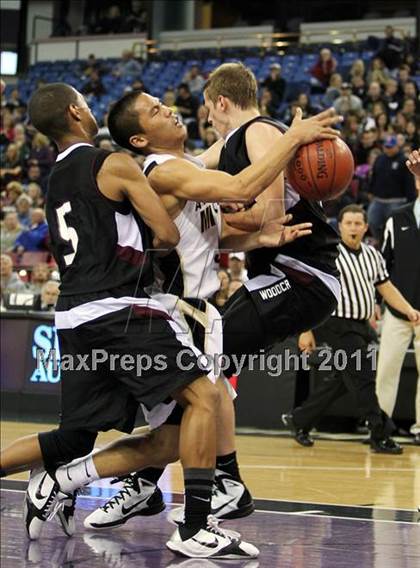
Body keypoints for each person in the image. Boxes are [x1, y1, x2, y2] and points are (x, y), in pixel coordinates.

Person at [0, 83, 260, 560]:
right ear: (78, 112)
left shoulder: (53, 177)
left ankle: (66, 481)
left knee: (73, 436)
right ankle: (197, 526)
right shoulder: (112, 162)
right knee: (205, 395)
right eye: (88, 101)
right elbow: (163, 232)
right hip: (120, 307)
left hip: (73, 315)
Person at [71, 87, 333, 531]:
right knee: (175, 420)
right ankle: (78, 478)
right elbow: (242, 187)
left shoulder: (189, 165)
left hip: (200, 308)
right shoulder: (164, 170)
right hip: (168, 308)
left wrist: (258, 237)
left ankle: (154, 490)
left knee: (190, 409)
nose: (172, 109)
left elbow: (222, 223)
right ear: (139, 139)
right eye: (156, 109)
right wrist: (292, 139)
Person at [203, 62, 342, 371]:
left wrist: (222, 216)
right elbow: (188, 166)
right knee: (212, 357)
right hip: (282, 274)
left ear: (221, 102)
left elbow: (272, 214)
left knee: (211, 356)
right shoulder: (240, 138)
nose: (209, 118)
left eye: (208, 108)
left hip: (303, 275)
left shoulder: (258, 131)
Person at [282, 205, 419, 453]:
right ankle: (380, 433)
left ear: (366, 227)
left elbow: (386, 288)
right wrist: (305, 329)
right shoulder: (329, 254)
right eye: (349, 223)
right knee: (364, 377)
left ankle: (299, 419)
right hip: (334, 324)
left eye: (358, 223)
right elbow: (309, 290)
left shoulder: (373, 255)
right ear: (340, 226)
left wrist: (408, 309)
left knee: (343, 380)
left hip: (361, 326)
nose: (354, 228)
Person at [376, 149, 420, 445]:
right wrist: (380, 305)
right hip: (397, 311)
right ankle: (381, 426)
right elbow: (382, 268)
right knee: (386, 371)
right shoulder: (396, 218)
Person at [367, 135, 416, 239]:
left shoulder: (403, 160)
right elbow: (374, 175)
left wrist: (411, 201)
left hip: (397, 200)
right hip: (378, 200)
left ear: (397, 147)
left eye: (390, 147)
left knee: (395, 226)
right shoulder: (380, 158)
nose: (388, 149)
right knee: (371, 221)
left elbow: (409, 182)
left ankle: (394, 247)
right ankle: (380, 242)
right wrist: (370, 191)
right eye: (386, 147)